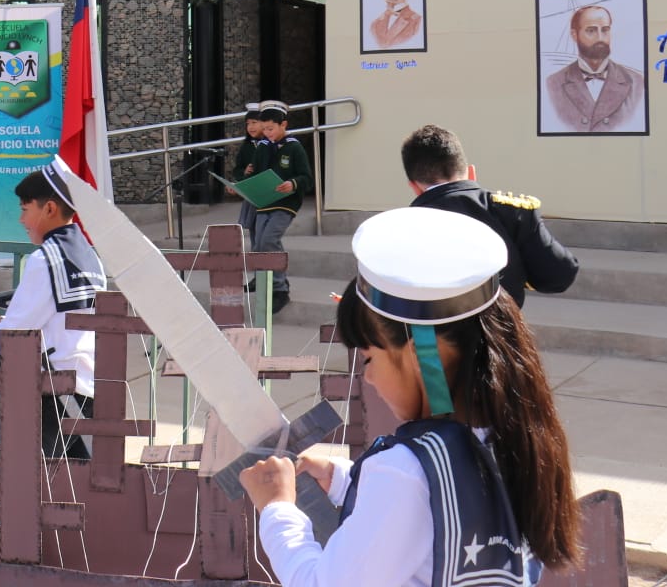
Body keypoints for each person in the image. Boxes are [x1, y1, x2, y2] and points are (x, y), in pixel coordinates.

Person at [241, 206, 580, 586]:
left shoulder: (404, 471)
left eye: (369, 357)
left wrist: (277, 508)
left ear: (419, 357)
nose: (366, 377)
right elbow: (445, 505)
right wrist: (344, 479)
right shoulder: (516, 437)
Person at [0, 165, 105, 459]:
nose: (21, 219)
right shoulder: (88, 254)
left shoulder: (45, 259)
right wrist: (1, 322)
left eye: (26, 209)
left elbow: (15, 335)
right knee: (75, 490)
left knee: (33, 489)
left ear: (49, 208)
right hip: (86, 388)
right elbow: (54, 324)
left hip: (54, 393)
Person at [401, 123, 577, 307]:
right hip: (501, 332)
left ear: (414, 186)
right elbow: (559, 276)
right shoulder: (513, 211)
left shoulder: (399, 228)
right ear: (471, 172)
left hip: (434, 335)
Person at [544, 3, 646, 133]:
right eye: (591, 31)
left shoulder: (636, 82)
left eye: (605, 30)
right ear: (574, 35)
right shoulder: (553, 84)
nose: (600, 38)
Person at [251, 100, 310, 314]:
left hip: (286, 203)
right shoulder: (262, 147)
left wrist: (293, 184)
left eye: (270, 129)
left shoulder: (294, 147)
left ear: (283, 125)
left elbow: (306, 177)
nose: (266, 133)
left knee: (269, 240)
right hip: (264, 203)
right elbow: (258, 174)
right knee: (258, 243)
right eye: (263, 129)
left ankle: (280, 289)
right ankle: (268, 283)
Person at [228, 102, 265, 233]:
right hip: (252, 196)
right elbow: (238, 169)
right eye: (248, 124)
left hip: (267, 194)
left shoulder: (271, 144)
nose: (250, 127)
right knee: (254, 231)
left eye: (254, 122)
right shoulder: (247, 146)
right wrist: (242, 175)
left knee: (265, 233)